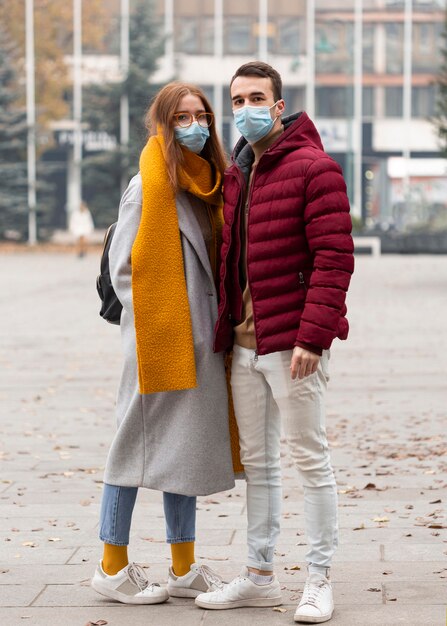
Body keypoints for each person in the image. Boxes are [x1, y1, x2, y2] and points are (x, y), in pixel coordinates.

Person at [194, 62, 354, 623]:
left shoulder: (315, 169)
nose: (245, 109)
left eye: (256, 98)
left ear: (280, 105)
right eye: (236, 100)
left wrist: (313, 336)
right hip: (243, 348)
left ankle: (317, 578)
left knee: (311, 459)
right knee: (259, 465)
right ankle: (260, 575)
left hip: (294, 346)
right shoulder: (239, 172)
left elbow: (334, 259)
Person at [91, 82, 241, 605]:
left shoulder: (206, 184)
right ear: (163, 123)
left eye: (201, 116)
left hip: (201, 340)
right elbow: (125, 268)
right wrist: (159, 327)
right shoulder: (147, 185)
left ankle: (183, 566)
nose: (195, 126)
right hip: (159, 339)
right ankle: (111, 565)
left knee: (183, 452)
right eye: (182, 118)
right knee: (131, 449)